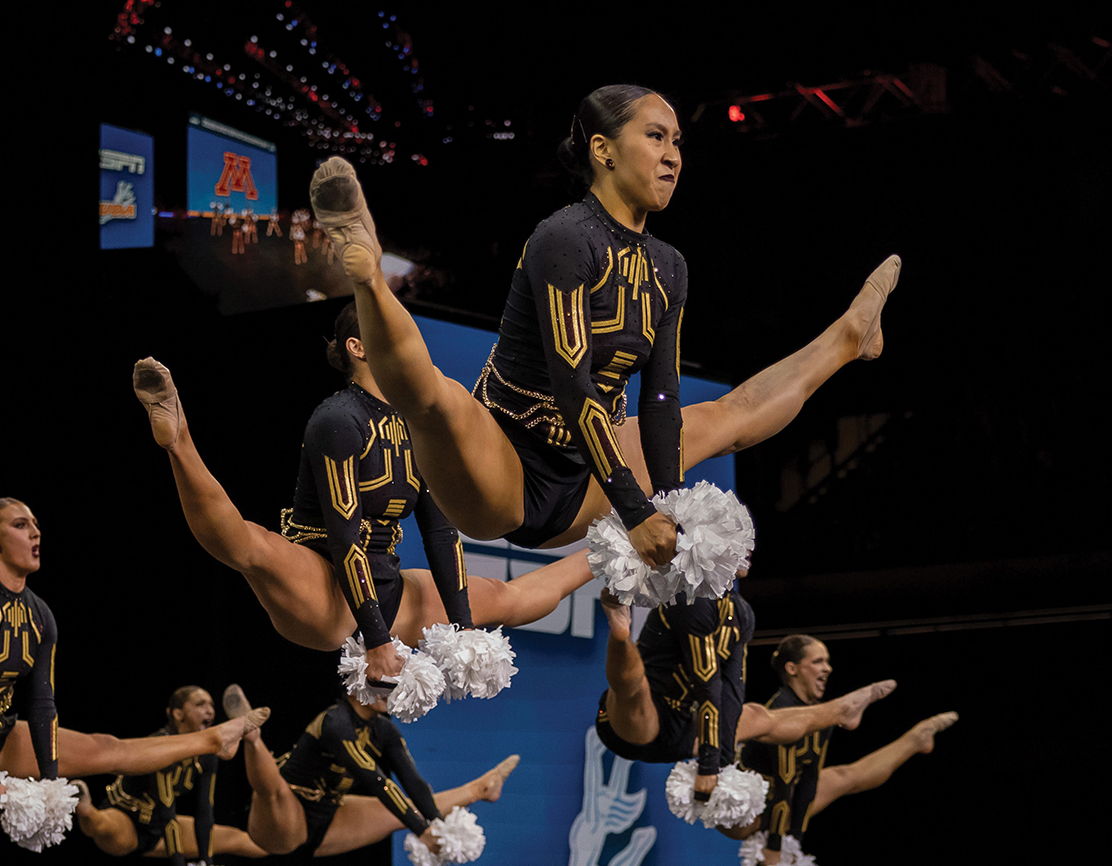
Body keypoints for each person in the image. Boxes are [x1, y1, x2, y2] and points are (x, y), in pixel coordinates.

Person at [308, 84, 899, 570]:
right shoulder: (564, 237)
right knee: (437, 398)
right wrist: (636, 512)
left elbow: (662, 395)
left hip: (588, 472)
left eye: (677, 142)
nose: (674, 155)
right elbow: (572, 384)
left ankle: (846, 339)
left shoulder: (670, 266)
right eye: (655, 137)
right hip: (506, 463)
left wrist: (674, 510)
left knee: (726, 416)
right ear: (603, 150)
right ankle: (369, 275)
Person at [132, 304, 595, 681]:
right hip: (324, 580)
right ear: (358, 347)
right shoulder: (337, 421)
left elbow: (440, 531)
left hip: (386, 579)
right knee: (251, 545)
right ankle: (179, 441)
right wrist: (376, 641)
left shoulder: (420, 424)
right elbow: (343, 536)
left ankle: (603, 550)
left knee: (502, 599)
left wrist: (464, 630)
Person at [0, 498, 268, 827]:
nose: (36, 532)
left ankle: (214, 739)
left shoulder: (40, 615)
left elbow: (40, 704)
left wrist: (53, 785)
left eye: (36, 524)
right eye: (21, 525)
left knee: (106, 747)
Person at [594, 590, 896, 832]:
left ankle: (841, 710)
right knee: (637, 693)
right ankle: (620, 633)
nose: (746, 557)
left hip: (685, 726)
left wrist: (721, 768)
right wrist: (711, 765)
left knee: (755, 715)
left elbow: (730, 692)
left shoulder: (741, 613)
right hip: (636, 723)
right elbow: (707, 684)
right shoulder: (689, 599)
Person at [739, 635, 957, 866]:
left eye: (827, 662)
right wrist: (775, 848)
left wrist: (793, 843)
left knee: (845, 776)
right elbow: (784, 781)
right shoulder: (781, 709)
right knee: (744, 824)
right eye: (818, 662)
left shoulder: (822, 715)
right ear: (792, 668)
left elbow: (809, 779)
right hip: (749, 801)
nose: (827, 669)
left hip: (784, 796)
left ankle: (917, 738)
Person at [230, 685, 517, 858]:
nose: (388, 690)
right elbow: (375, 779)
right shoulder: (335, 722)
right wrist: (422, 832)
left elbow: (412, 783)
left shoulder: (384, 730)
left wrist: (432, 824)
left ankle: (481, 788)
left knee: (404, 815)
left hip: (329, 815)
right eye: (379, 683)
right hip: (285, 812)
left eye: (391, 685)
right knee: (272, 790)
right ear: (356, 685)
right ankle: (252, 736)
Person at [72, 685, 267, 866]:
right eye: (200, 704)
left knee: (241, 840)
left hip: (159, 827)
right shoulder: (162, 745)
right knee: (103, 827)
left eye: (211, 704)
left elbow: (204, 812)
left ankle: (285, 840)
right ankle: (84, 806)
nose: (210, 710)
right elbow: (168, 811)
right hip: (127, 816)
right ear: (178, 713)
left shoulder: (208, 752)